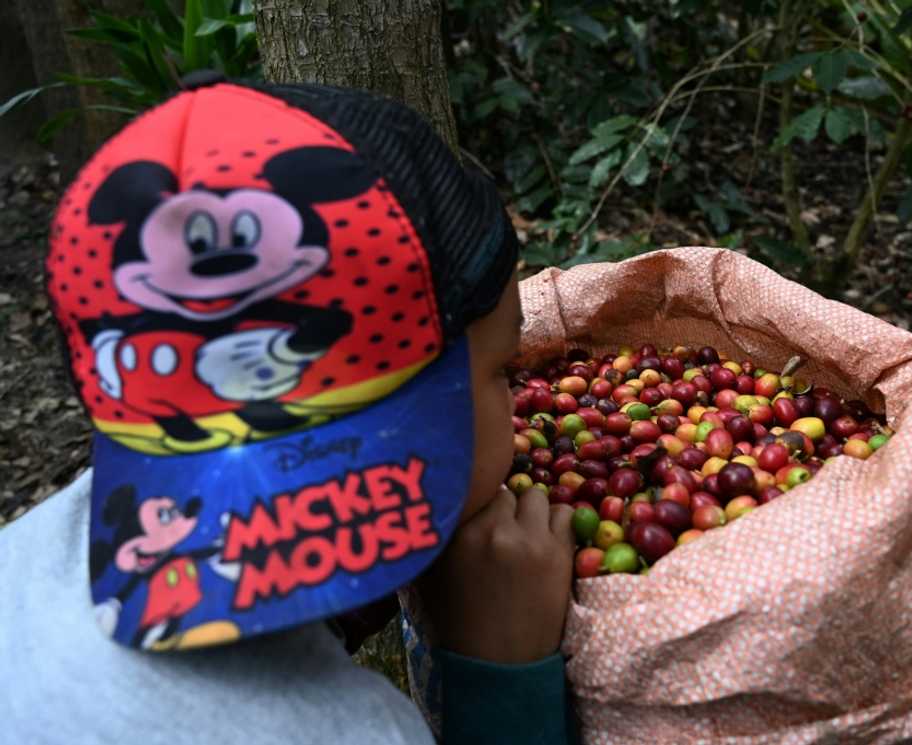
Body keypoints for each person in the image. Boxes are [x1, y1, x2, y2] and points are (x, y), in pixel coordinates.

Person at [0, 72, 576, 745]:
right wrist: (502, 681)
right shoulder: (344, 731)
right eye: (503, 370)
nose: (519, 401)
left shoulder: (35, 557)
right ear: (413, 408)